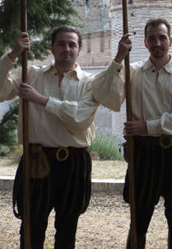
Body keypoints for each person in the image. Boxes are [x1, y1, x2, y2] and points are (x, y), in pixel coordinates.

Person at [93, 18, 172, 249]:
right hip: (144, 154)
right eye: (152, 38)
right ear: (145, 42)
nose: (157, 42)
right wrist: (119, 58)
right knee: (139, 218)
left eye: (162, 37)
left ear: (170, 40)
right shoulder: (132, 72)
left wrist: (147, 126)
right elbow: (104, 95)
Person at [0, 26, 102, 248]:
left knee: (67, 229)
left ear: (80, 50)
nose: (66, 49)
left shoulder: (90, 82)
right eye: (61, 44)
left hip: (74, 162)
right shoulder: (31, 74)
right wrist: (14, 54)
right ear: (52, 47)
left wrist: (41, 99)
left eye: (72, 44)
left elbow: (80, 118)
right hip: (38, 160)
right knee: (31, 228)